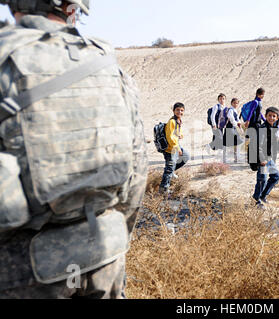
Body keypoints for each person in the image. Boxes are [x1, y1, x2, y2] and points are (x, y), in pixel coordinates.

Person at [0, 0, 148, 298]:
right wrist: (116, 238)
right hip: (105, 257)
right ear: (72, 8)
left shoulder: (5, 60)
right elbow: (137, 174)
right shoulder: (109, 67)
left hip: (23, 269)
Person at [253, 107, 279, 209]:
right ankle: (257, 200)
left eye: (274, 116)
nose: (271, 118)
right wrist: (262, 159)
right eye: (269, 115)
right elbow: (258, 146)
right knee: (262, 179)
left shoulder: (273, 128)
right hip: (263, 160)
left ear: (277, 118)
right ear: (265, 116)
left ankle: (263, 195)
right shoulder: (263, 128)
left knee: (276, 176)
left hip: (269, 159)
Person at [159, 103, 189, 194]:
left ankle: (171, 172)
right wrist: (177, 148)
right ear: (173, 111)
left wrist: (180, 135)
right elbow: (169, 136)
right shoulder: (172, 121)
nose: (179, 112)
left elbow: (176, 132)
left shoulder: (178, 120)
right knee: (169, 168)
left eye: (181, 110)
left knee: (186, 156)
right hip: (170, 148)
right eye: (177, 110)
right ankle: (163, 190)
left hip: (175, 146)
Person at [244, 88, 266, 166]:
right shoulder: (255, 102)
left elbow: (259, 113)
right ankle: (252, 159)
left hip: (257, 123)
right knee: (254, 142)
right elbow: (251, 111)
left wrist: (265, 120)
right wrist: (248, 120)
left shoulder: (259, 102)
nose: (263, 96)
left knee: (255, 141)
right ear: (258, 94)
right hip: (254, 124)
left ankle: (252, 159)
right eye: (262, 94)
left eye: (263, 94)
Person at [222, 98, 243, 163]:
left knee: (230, 143)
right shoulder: (231, 110)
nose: (235, 104)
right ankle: (235, 157)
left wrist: (240, 126)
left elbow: (237, 119)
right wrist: (236, 124)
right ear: (231, 103)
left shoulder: (234, 110)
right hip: (230, 128)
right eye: (234, 103)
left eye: (237, 103)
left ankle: (235, 157)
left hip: (232, 128)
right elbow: (231, 118)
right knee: (235, 142)